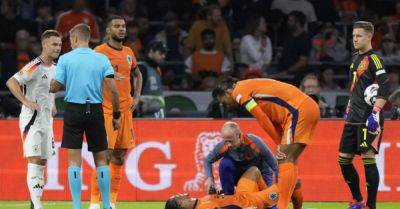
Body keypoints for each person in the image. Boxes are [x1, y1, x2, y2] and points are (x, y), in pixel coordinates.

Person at [214, 76, 320, 209]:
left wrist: (278, 144)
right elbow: (272, 118)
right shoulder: (250, 86)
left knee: (285, 160)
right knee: (289, 163)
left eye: (223, 101)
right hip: (304, 108)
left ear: (226, 92)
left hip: (298, 110)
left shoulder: (238, 91)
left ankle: (281, 207)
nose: (227, 104)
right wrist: (280, 143)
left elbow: (262, 118)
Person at [49, 23, 120, 209]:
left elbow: (55, 87)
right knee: (102, 161)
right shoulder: (102, 59)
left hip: (73, 110)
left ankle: (77, 207)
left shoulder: (65, 59)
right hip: (95, 110)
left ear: (74, 38)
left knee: (74, 161)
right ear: (88, 38)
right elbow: (113, 90)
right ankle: (106, 205)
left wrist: (49, 82)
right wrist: (117, 114)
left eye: (70, 40)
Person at [88, 15, 143, 209]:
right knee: (104, 156)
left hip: (126, 111)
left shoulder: (129, 52)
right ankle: (94, 204)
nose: (121, 29)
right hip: (106, 111)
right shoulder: (99, 52)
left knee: (119, 157)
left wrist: (136, 97)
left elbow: (137, 73)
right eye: (117, 26)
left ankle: (110, 203)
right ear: (108, 31)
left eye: (123, 26)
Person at [6, 30, 61, 209]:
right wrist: (26, 101)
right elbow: (12, 82)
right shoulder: (34, 65)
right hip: (32, 121)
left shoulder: (56, 68)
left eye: (59, 45)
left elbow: (48, 90)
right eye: (54, 44)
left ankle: (33, 204)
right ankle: (38, 205)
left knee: (42, 162)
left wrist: (52, 104)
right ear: (44, 45)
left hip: (47, 121)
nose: (57, 48)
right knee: (34, 160)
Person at [338, 21, 390, 209]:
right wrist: (349, 106)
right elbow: (355, 87)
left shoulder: (374, 59)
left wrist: (376, 112)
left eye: (358, 36)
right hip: (352, 117)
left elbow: (385, 85)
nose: (355, 39)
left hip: (368, 118)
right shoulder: (354, 59)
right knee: (343, 160)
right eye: (353, 36)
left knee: (368, 158)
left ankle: (371, 205)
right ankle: (358, 199)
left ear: (369, 36)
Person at [204, 121, 278, 194]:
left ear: (239, 136)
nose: (228, 145)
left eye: (231, 141)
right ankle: (228, 196)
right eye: (226, 141)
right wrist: (210, 179)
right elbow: (207, 160)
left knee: (267, 200)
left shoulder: (254, 142)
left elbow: (274, 166)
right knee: (225, 163)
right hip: (239, 176)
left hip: (259, 175)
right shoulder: (223, 145)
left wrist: (279, 186)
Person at [165, 166, 279, 209]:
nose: (180, 194)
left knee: (253, 171)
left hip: (240, 195)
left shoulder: (199, 202)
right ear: (181, 207)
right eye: (177, 198)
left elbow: (221, 202)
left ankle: (268, 204)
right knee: (291, 184)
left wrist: (219, 193)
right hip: (248, 203)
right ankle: (265, 200)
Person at [139, 41, 167, 118]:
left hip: (158, 115)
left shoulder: (157, 69)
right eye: (161, 53)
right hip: (146, 116)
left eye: (164, 53)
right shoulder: (141, 68)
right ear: (151, 51)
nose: (163, 56)